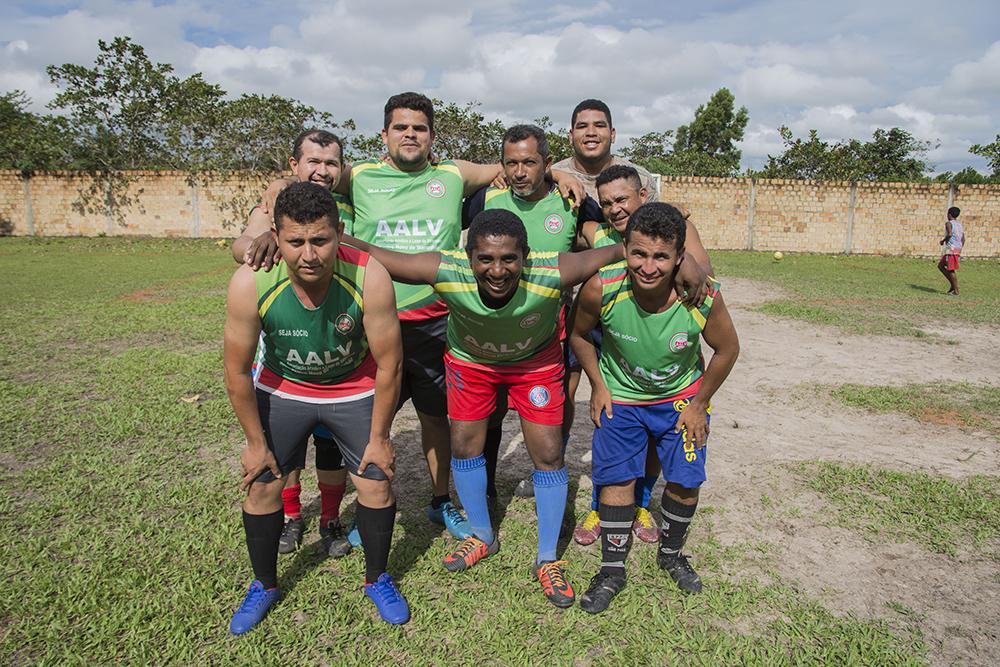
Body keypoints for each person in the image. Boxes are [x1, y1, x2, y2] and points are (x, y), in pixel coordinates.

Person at [345, 208, 625, 608]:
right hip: (471, 365)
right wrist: (313, 238)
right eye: (486, 259)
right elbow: (378, 255)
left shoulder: (556, 271)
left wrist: (690, 265)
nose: (497, 270)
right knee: (464, 446)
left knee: (549, 453)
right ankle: (482, 535)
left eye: (509, 258)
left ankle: (547, 558)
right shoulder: (445, 268)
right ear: (468, 255)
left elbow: (621, 250)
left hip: (536, 366)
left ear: (526, 256)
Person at [223, 182, 409, 632]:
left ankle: (376, 577)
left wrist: (381, 439)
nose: (310, 254)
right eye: (296, 242)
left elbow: (390, 364)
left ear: (339, 233)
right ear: (277, 236)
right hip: (284, 388)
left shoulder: (369, 275)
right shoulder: (251, 280)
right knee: (261, 483)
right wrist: (253, 443)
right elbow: (236, 369)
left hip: (352, 387)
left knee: (376, 479)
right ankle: (264, 584)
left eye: (321, 240)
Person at [569, 202, 739, 614]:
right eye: (639, 253)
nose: (648, 266)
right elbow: (577, 335)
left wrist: (699, 404)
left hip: (680, 399)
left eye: (661, 256)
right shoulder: (602, 286)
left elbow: (728, 349)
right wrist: (598, 383)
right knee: (617, 479)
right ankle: (611, 570)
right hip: (622, 397)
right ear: (624, 248)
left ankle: (671, 554)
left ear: (681, 258)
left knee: (684, 480)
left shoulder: (701, 295)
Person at [571, 164, 716, 547]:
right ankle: (601, 506)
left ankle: (641, 503)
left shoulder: (671, 231)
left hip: (661, 349)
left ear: (643, 197)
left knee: (655, 435)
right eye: (606, 203)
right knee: (614, 432)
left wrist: (683, 261)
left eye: (622, 199)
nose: (615, 208)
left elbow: (703, 278)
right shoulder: (594, 231)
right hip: (613, 334)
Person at [462, 124, 602, 509]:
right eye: (511, 163)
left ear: (547, 163)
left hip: (549, 332)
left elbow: (611, 230)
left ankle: (543, 476)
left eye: (529, 162)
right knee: (490, 413)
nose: (520, 172)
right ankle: (487, 488)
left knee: (552, 407)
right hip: (489, 330)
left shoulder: (571, 201)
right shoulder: (485, 200)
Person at [231, 129, 353, 558]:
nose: (322, 170)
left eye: (331, 163)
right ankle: (291, 516)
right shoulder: (273, 207)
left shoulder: (348, 205)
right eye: (313, 161)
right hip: (288, 347)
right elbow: (240, 243)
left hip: (340, 343)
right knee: (288, 447)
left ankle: (330, 518)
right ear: (293, 164)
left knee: (331, 444)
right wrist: (262, 242)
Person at [552, 99, 660, 202]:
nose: (591, 132)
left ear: (612, 135)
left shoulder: (641, 179)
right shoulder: (551, 179)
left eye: (599, 125)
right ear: (571, 136)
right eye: (582, 126)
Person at [938, 206, 965, 296]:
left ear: (949, 214)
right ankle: (953, 285)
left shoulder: (949, 223)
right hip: (957, 248)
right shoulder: (959, 224)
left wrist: (943, 241)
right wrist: (959, 248)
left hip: (951, 249)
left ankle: (956, 290)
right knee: (941, 266)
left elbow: (949, 234)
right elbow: (963, 238)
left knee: (950, 269)